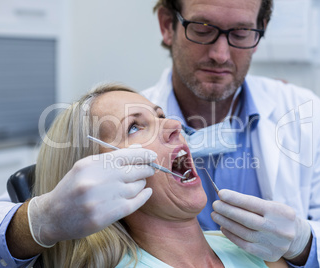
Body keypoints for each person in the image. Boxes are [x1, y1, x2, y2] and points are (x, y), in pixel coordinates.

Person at [0, 0, 320, 267]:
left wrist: (303, 243)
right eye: (203, 29)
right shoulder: (112, 118)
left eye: (240, 33)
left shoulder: (300, 113)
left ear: (260, 31)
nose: (221, 54)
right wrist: (40, 222)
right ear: (168, 25)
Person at [23, 83, 286, 267]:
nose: (174, 125)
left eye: (160, 115)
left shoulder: (257, 249)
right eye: (135, 127)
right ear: (93, 181)